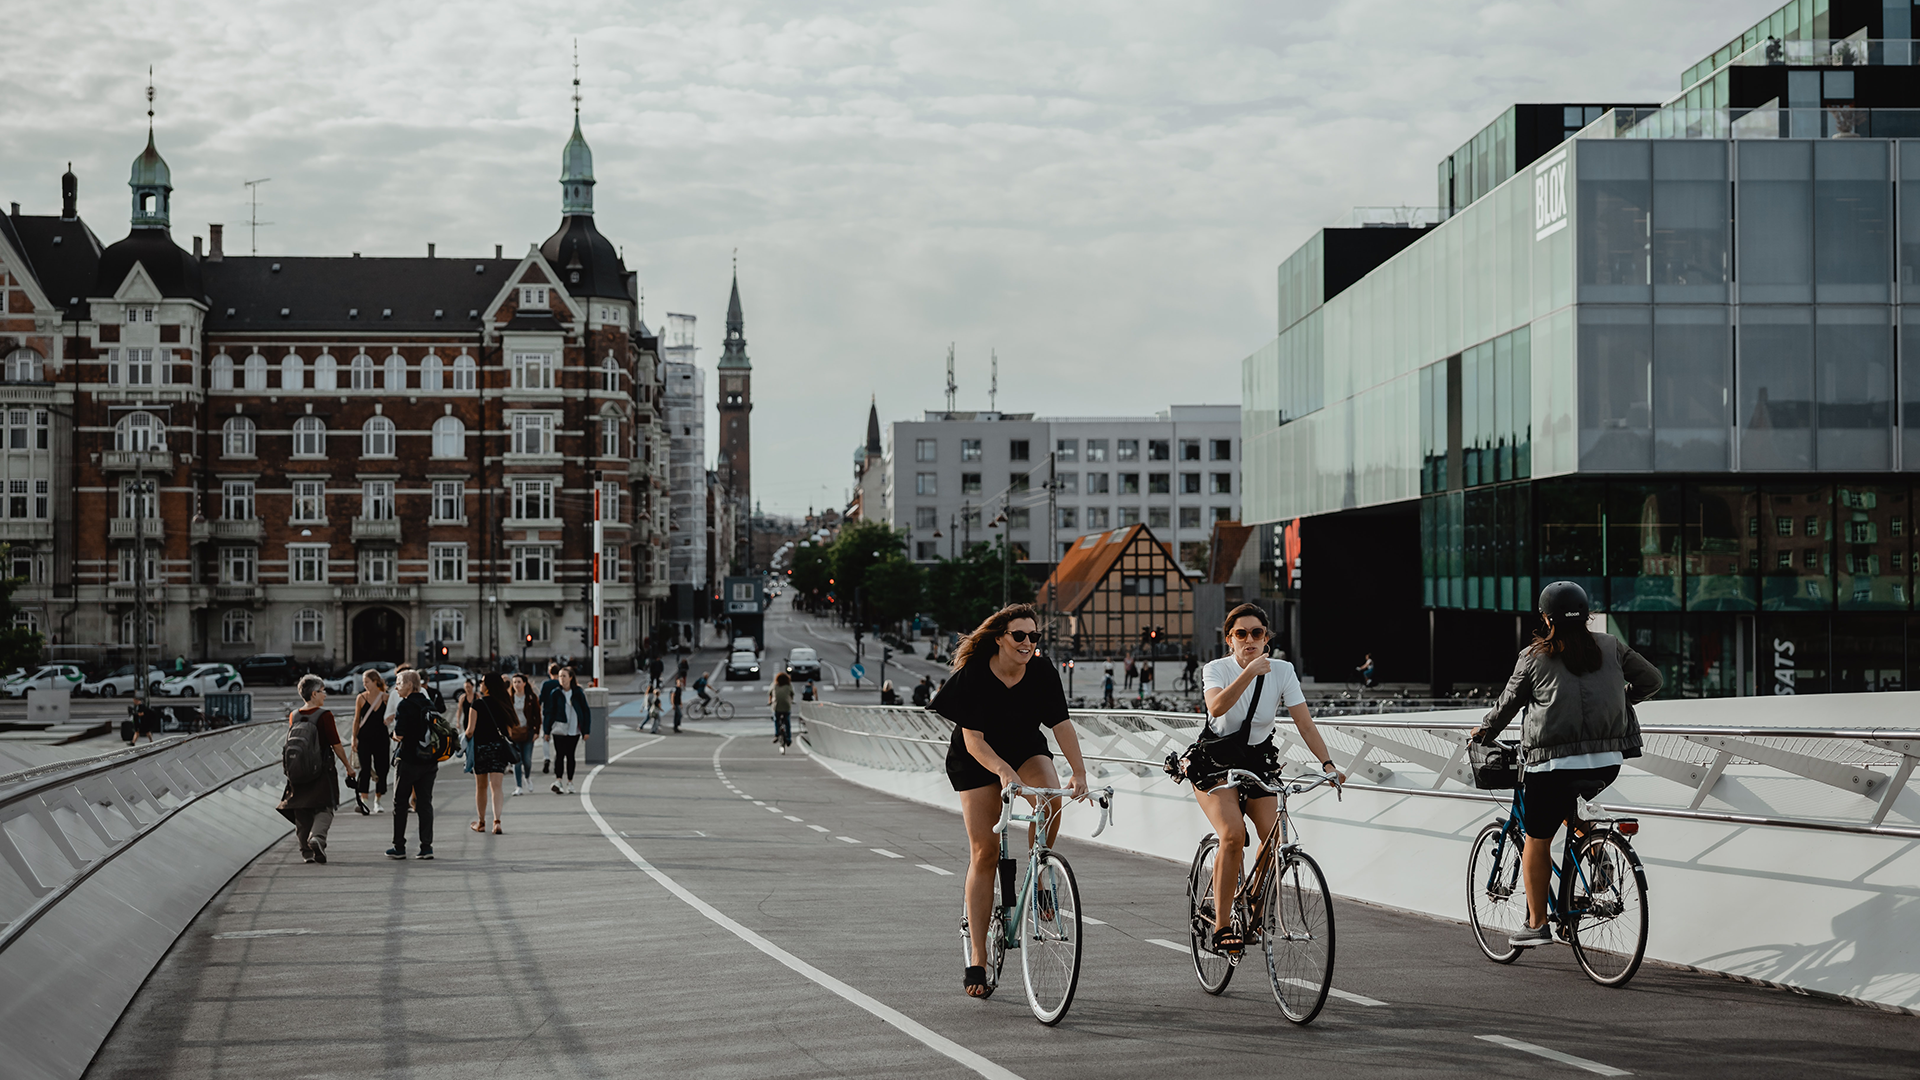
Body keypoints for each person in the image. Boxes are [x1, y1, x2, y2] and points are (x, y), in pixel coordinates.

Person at [1470, 582, 1661, 948]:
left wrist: (1484, 731)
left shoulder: (1533, 656)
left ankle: (1537, 923)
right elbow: (1653, 680)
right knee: (1571, 806)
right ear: (1587, 614)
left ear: (1545, 617)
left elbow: (1508, 704)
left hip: (1552, 766)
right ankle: (1594, 847)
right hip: (1607, 763)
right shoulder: (1611, 645)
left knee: (1536, 839)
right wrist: (1624, 700)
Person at [931, 603, 1093, 1000]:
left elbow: (1061, 725)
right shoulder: (973, 676)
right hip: (977, 760)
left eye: (1033, 637)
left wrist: (1080, 772)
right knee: (984, 852)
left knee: (1050, 797)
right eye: (1019, 636)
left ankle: (1041, 872)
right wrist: (1003, 772)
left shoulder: (1041, 671)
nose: (1027, 643)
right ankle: (978, 956)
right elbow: (973, 741)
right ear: (1000, 638)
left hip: (1024, 748)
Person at [1187, 603, 1342, 958]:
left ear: (1266, 638)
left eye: (1257, 633)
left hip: (1258, 761)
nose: (1249, 640)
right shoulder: (1216, 669)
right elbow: (1216, 708)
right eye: (1241, 634)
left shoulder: (1283, 671)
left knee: (1275, 837)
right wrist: (1249, 672)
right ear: (1230, 640)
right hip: (1216, 764)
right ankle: (1223, 924)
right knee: (1232, 835)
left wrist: (1328, 764)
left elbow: (1304, 722)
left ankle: (1254, 901)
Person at [277, 675, 355, 864]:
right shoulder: (324, 715)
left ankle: (306, 852)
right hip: (321, 770)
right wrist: (348, 766)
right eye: (323, 691)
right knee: (325, 806)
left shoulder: (293, 715)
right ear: (314, 693)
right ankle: (317, 838)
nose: (325, 695)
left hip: (297, 771)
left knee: (301, 809)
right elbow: (336, 745)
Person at [388, 669, 437, 860]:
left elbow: (399, 734)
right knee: (425, 804)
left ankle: (399, 847)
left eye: (399, 682)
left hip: (408, 761)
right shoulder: (429, 704)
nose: (396, 687)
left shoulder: (404, 705)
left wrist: (393, 735)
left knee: (400, 803)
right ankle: (426, 847)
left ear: (409, 684)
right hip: (429, 761)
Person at [466, 673, 513, 833]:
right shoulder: (504, 703)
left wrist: (464, 739)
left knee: (481, 787)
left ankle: (481, 822)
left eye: (483, 682)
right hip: (499, 749)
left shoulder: (477, 704)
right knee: (497, 787)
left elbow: (470, 731)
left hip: (481, 749)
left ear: (488, 685)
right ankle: (497, 821)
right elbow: (509, 731)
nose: (480, 684)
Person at [349, 670, 391, 814]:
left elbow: (394, 714)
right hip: (365, 738)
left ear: (375, 681)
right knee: (365, 769)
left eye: (366, 682)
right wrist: (354, 739)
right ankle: (364, 802)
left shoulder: (386, 697)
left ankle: (377, 801)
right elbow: (356, 720)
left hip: (381, 738)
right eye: (363, 682)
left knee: (382, 769)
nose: (364, 684)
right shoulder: (361, 698)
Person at [546, 666, 592, 794]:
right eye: (560, 676)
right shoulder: (555, 693)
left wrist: (586, 730)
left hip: (574, 729)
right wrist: (546, 730)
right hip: (559, 728)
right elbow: (549, 712)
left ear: (571, 678)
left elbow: (585, 711)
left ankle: (570, 782)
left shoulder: (578, 693)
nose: (562, 679)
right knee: (559, 755)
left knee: (570, 755)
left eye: (564, 676)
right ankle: (558, 780)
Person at [507, 673, 540, 795]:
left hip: (528, 732)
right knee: (517, 760)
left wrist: (537, 731)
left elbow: (537, 715)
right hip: (514, 733)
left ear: (524, 683)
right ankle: (518, 786)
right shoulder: (510, 698)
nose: (516, 684)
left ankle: (527, 777)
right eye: (514, 682)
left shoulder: (531, 697)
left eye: (519, 682)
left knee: (527, 760)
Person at [539, 661, 561, 774]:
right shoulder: (560, 684)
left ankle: (546, 758)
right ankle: (558, 757)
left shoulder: (546, 684)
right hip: (559, 714)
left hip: (547, 713)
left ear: (549, 672)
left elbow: (541, 699)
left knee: (546, 737)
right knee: (558, 738)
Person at [768, 671, 794, 753]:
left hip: (777, 706)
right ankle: (789, 738)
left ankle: (776, 734)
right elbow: (792, 694)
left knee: (776, 719)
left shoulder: (774, 685)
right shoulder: (789, 685)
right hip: (786, 707)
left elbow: (770, 694)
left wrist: (770, 701)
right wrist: (791, 700)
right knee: (787, 722)